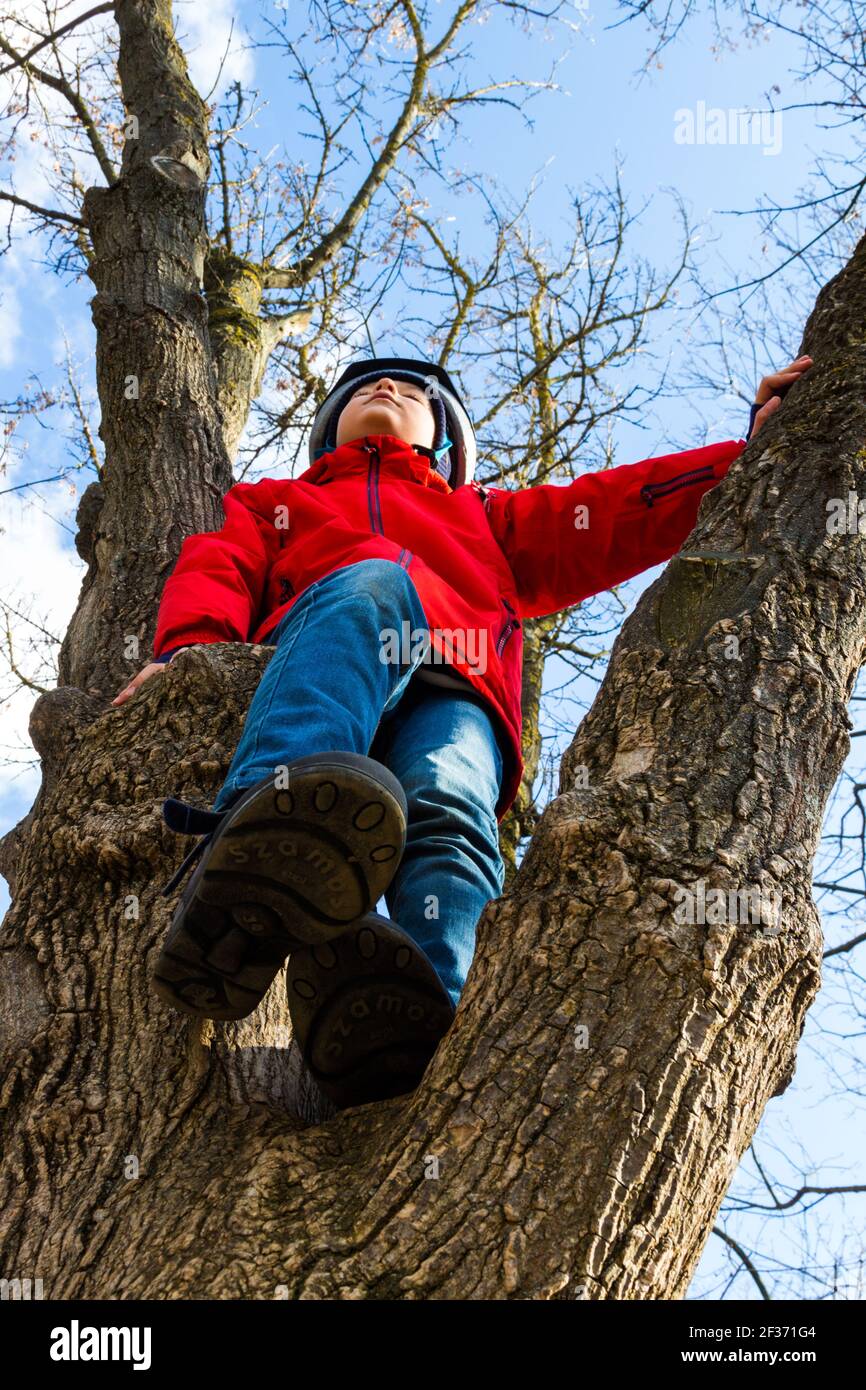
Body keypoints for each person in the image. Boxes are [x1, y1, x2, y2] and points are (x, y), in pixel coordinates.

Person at [112, 352, 813, 1109]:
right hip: (328, 653)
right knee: (375, 583)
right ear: (328, 430)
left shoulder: (484, 516)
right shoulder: (276, 500)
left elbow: (614, 509)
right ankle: (246, 864)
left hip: (458, 683)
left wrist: (749, 454)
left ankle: (424, 1014)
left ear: (443, 441)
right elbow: (217, 565)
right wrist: (184, 652)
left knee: (451, 808)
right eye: (366, 388)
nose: (387, 389)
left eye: (412, 392)